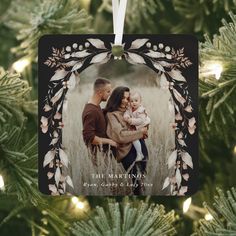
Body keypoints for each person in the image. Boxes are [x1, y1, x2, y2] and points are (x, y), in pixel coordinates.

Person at [104, 86, 149, 195]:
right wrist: (140, 132)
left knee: (143, 179)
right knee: (136, 182)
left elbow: (143, 124)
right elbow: (120, 136)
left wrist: (144, 126)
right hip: (126, 152)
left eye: (127, 98)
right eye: (122, 98)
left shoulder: (130, 110)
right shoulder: (111, 115)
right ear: (116, 98)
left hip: (140, 147)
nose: (125, 101)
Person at [82, 78, 117, 157]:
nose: (110, 94)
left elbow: (99, 116)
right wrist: (110, 141)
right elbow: (89, 138)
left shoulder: (95, 106)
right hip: (99, 156)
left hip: (105, 154)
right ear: (100, 92)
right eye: (108, 91)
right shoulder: (91, 111)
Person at [123, 91, 150, 162]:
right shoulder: (130, 108)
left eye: (136, 100)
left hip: (140, 126)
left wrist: (131, 121)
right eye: (131, 101)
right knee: (134, 139)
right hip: (135, 128)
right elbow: (127, 113)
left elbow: (141, 121)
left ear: (140, 101)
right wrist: (126, 116)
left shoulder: (141, 110)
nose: (133, 103)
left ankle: (139, 153)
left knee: (134, 139)